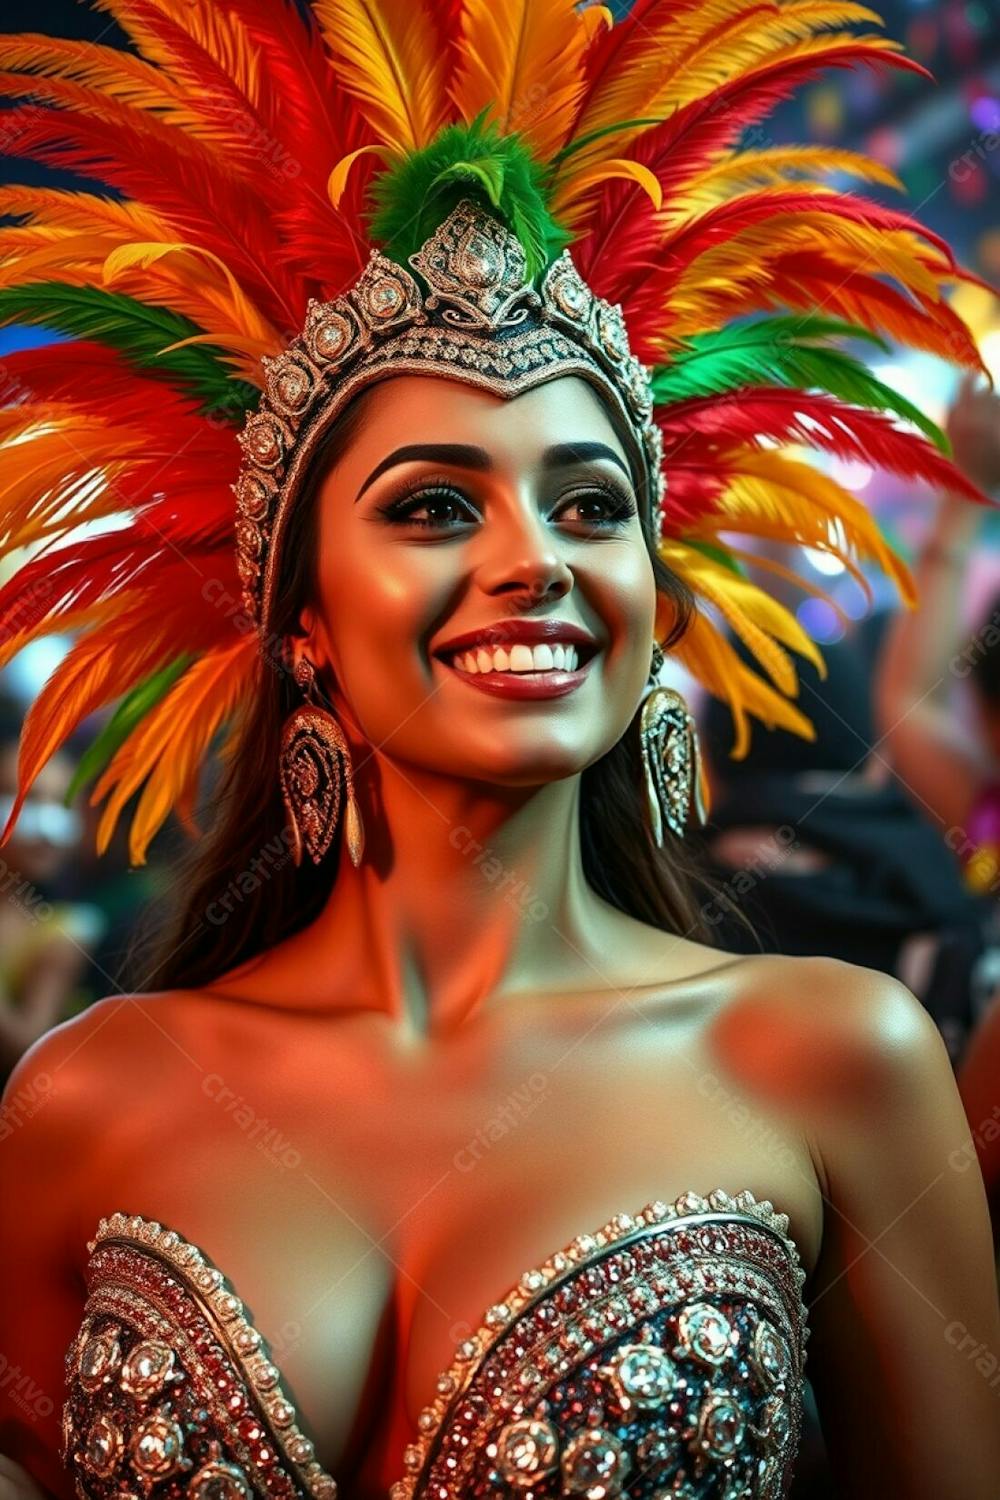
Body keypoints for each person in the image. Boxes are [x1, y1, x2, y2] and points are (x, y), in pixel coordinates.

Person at [0, 2, 998, 1498]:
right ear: (306, 624)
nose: (538, 561)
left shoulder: (828, 1060)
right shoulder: (91, 1101)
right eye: (433, 507)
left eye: (592, 506)